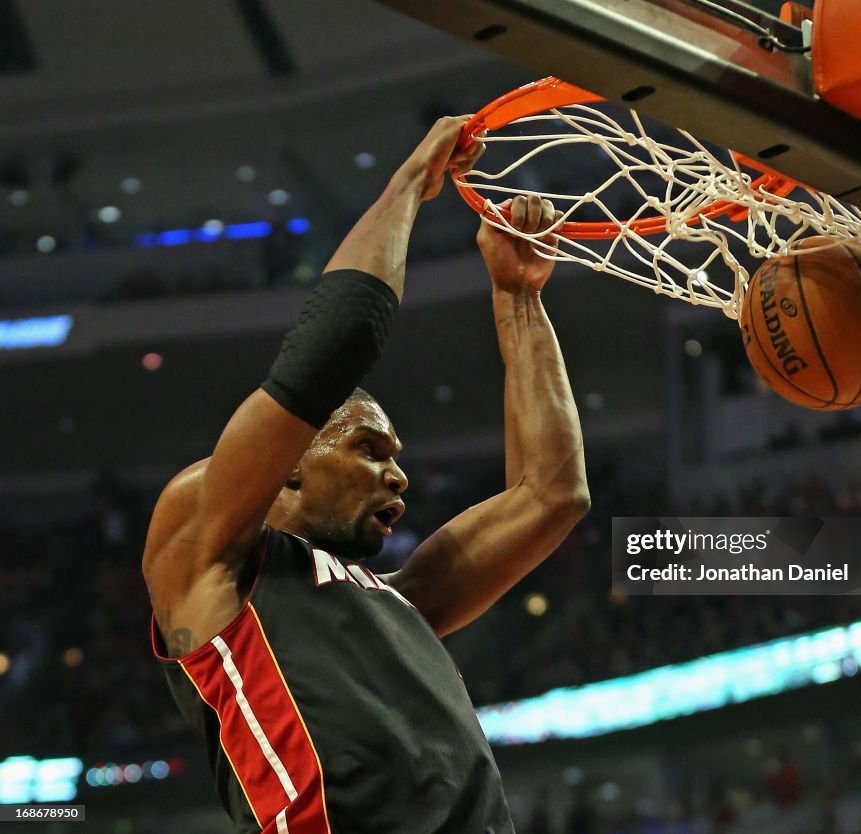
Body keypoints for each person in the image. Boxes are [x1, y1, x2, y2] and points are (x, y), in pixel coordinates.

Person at [142, 115, 589, 833]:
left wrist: (521, 297)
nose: (398, 477)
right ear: (289, 463)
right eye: (372, 450)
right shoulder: (205, 546)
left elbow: (553, 493)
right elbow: (338, 342)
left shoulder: (401, 602)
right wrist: (414, 182)